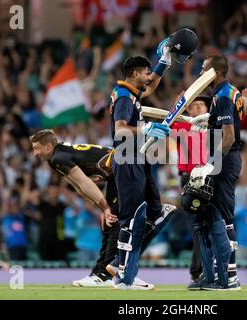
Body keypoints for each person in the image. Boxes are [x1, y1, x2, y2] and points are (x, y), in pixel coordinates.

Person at [30, 129, 161, 288]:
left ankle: (112, 274)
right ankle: (104, 273)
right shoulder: (59, 154)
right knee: (111, 222)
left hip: (127, 168)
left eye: (37, 148)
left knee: (117, 220)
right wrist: (102, 208)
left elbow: (85, 182)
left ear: (49, 146)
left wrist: (105, 208)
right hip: (122, 169)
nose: (35, 153)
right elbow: (78, 185)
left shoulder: (58, 158)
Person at [109, 33, 184, 289]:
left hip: (139, 159)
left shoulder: (133, 94)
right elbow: (120, 130)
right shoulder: (122, 96)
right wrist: (146, 129)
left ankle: (124, 264)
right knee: (132, 218)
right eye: (146, 72)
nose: (149, 76)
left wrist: (164, 61)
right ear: (135, 72)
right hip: (127, 157)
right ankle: (122, 276)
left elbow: (151, 86)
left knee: (155, 213)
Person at [187, 55, 247, 290]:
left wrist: (209, 164)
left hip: (224, 161)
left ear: (215, 72)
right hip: (224, 160)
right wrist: (208, 119)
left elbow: (229, 137)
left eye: (203, 70)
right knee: (211, 216)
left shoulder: (223, 95)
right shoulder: (225, 92)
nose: (200, 74)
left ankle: (230, 277)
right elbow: (238, 111)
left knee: (223, 217)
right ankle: (215, 274)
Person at [170, 96, 210, 283]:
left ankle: (206, 269)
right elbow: (167, 124)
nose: (197, 109)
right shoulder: (182, 127)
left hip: (210, 176)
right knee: (198, 227)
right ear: (188, 111)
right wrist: (176, 108)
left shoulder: (214, 126)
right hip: (190, 178)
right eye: (192, 106)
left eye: (200, 105)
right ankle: (199, 271)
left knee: (213, 225)